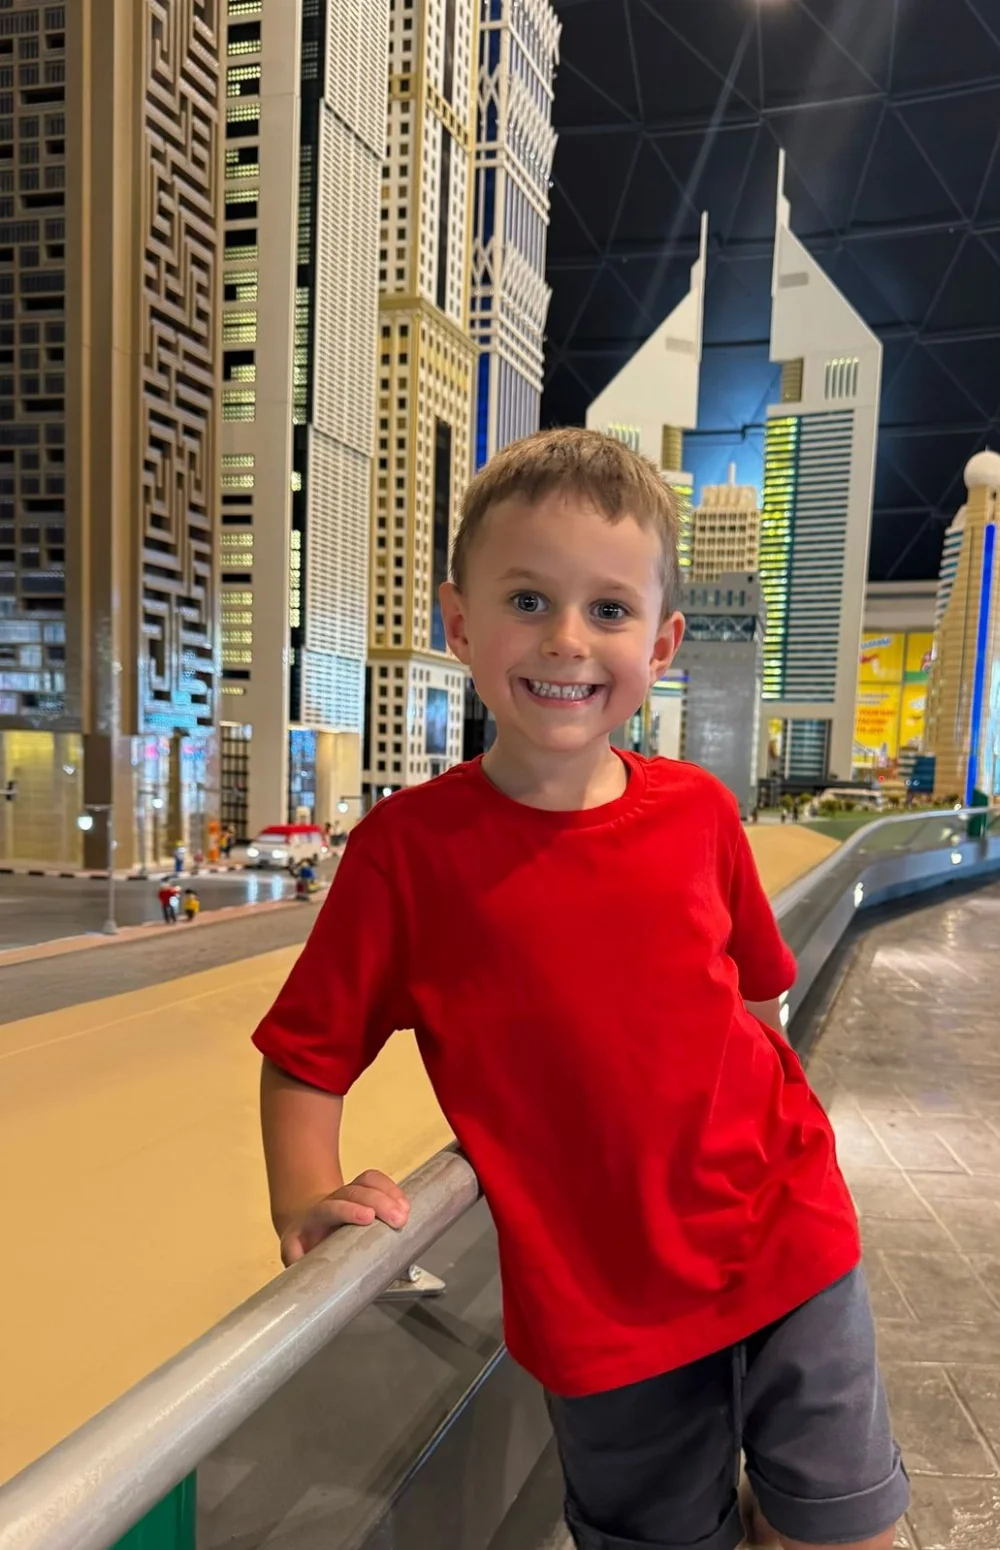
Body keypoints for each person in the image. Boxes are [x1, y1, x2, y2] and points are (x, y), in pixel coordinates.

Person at [253, 429, 908, 1550]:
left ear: (661, 642)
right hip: (602, 1312)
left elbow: (756, 1005)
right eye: (527, 600)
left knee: (847, 1528)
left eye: (608, 609)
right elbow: (306, 1054)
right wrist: (304, 1195)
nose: (567, 638)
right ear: (460, 624)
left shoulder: (699, 812)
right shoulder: (408, 853)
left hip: (786, 1235)